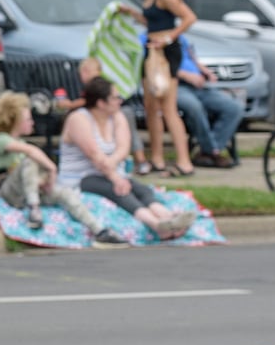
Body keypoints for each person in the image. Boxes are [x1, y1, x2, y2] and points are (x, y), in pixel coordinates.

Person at [58, 75, 195, 240]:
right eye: (115, 98)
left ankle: (167, 216)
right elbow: (94, 155)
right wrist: (114, 177)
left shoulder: (117, 117)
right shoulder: (78, 119)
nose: (120, 101)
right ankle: (156, 225)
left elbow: (123, 149)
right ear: (101, 103)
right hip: (81, 178)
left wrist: (112, 167)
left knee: (139, 189)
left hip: (108, 172)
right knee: (117, 190)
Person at [0, 91, 127, 245]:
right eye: (28, 119)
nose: (32, 122)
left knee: (64, 193)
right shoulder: (1, 140)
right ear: (14, 121)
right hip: (4, 192)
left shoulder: (21, 144)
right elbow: (33, 153)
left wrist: (43, 181)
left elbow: (30, 174)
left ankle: (99, 230)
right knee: (31, 160)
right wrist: (52, 168)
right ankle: (34, 208)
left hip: (23, 193)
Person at [122, 0, 197, 177]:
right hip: (150, 50)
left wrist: (169, 38)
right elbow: (154, 21)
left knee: (168, 108)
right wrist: (133, 14)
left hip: (164, 53)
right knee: (151, 108)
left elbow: (189, 18)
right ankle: (157, 158)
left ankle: (184, 162)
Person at [174, 36, 243, 169]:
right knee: (194, 107)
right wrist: (186, 76)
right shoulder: (151, 38)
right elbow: (159, 66)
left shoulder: (181, 38)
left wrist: (206, 72)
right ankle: (213, 151)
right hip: (177, 86)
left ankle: (208, 151)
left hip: (199, 85)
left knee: (234, 107)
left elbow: (193, 59)